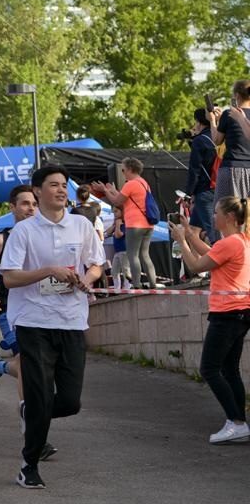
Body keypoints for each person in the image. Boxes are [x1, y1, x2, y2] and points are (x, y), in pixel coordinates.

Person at [1, 165, 104, 489]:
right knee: (41, 395)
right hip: (34, 321)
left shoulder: (81, 225)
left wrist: (87, 278)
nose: (61, 190)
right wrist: (48, 270)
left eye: (64, 185)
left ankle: (31, 411)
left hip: (72, 321)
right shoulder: (24, 231)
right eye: (54, 185)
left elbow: (97, 264)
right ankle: (29, 465)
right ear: (38, 191)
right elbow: (9, 277)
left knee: (70, 402)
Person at [169, 199, 250, 444]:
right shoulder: (241, 240)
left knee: (209, 369)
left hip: (226, 314)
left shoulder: (229, 243)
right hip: (239, 312)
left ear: (229, 217)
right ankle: (239, 422)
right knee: (229, 370)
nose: (213, 217)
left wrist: (182, 241)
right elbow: (210, 254)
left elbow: (195, 266)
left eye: (216, 213)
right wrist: (189, 234)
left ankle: (236, 422)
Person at [0, 185, 39, 399]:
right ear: (12, 207)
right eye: (25, 203)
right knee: (25, 363)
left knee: (34, 365)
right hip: (10, 312)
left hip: (38, 310)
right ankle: (27, 410)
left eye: (34, 204)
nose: (31, 208)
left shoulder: (43, 239)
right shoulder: (0, 240)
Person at [93, 158, 159, 289]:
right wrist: (112, 190)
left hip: (134, 224)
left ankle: (136, 284)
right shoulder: (144, 183)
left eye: (123, 170)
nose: (123, 173)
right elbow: (127, 199)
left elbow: (117, 202)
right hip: (148, 224)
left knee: (132, 255)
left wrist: (105, 191)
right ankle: (153, 284)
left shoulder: (130, 184)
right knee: (145, 255)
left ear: (129, 169)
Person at [211, 78, 250, 202]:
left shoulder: (229, 114)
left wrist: (212, 120)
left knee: (224, 207)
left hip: (231, 167)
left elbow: (217, 140)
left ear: (236, 95)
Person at [185, 108, 219, 243]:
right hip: (219, 185)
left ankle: (220, 254)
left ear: (198, 122)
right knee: (193, 230)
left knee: (214, 233)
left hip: (205, 190)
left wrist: (188, 193)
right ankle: (196, 258)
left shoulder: (199, 140)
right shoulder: (220, 138)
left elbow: (195, 169)